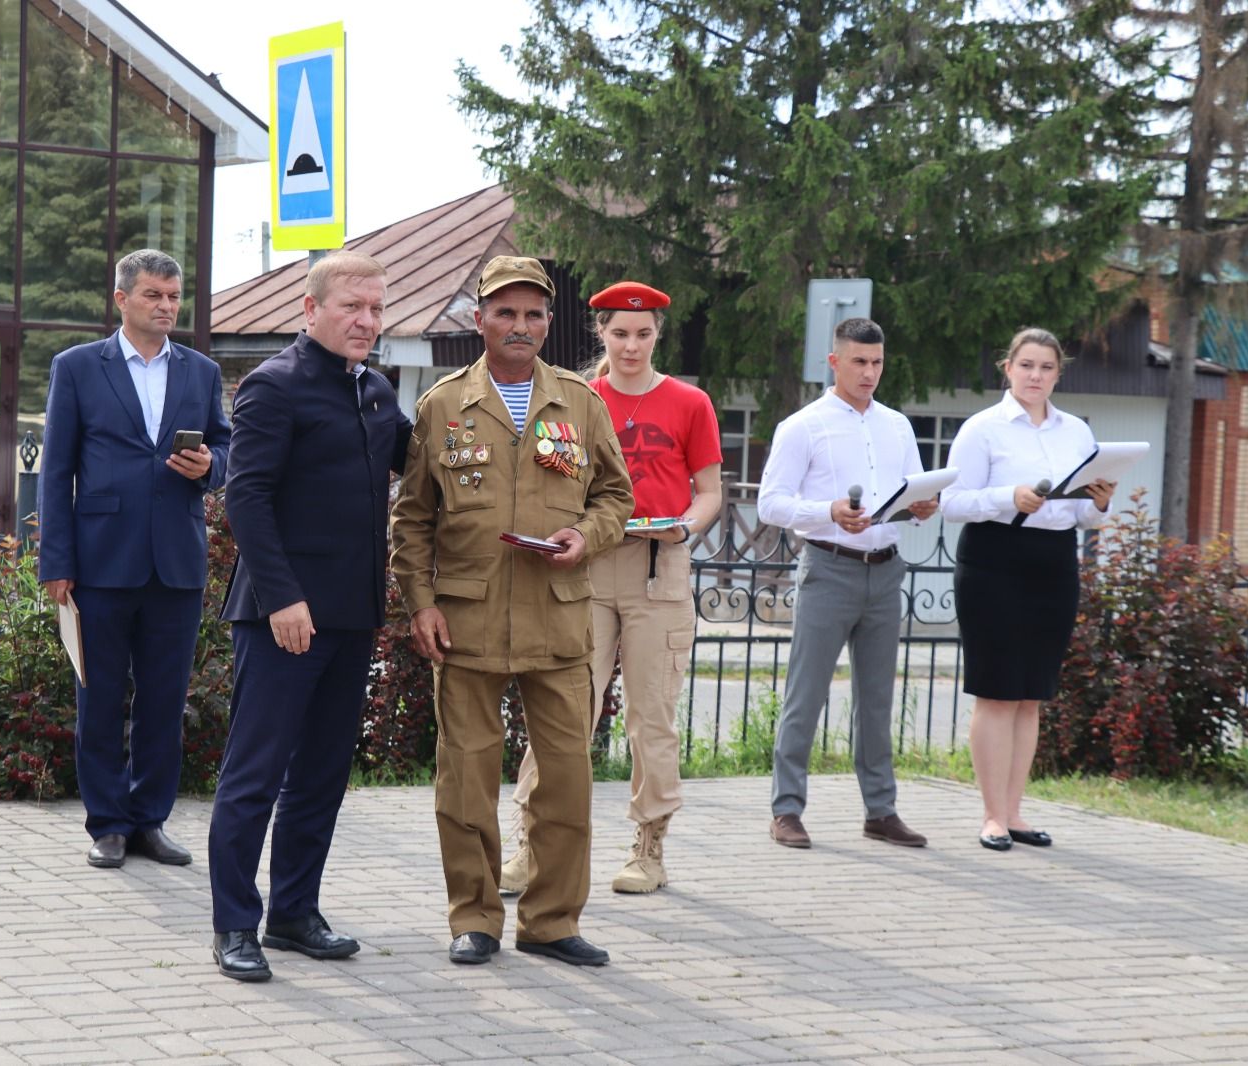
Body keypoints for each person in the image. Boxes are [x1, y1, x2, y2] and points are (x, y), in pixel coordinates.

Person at [390, 255, 633, 967]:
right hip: (464, 621)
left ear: (549, 324)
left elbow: (616, 498)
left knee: (565, 779)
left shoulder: (582, 403)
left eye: (533, 314)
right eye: (505, 312)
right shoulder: (443, 405)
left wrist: (583, 537)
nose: (519, 326)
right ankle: (475, 917)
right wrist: (421, 603)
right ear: (480, 321)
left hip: (558, 617)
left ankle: (553, 922)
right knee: (465, 778)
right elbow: (412, 520)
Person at [207, 251, 411, 982]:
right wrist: (283, 598)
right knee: (255, 774)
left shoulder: (378, 391)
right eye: (352, 306)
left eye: (377, 309)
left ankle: (294, 913)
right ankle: (236, 923)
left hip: (353, 615)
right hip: (282, 616)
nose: (365, 321)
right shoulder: (273, 386)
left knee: (323, 773)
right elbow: (247, 498)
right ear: (310, 309)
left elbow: (424, 463)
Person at [500, 281, 722, 897]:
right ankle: (530, 844)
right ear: (601, 334)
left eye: (643, 334)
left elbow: (709, 492)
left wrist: (687, 526)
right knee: (562, 709)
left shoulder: (689, 402)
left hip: (660, 565)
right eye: (619, 333)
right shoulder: (574, 398)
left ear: (658, 336)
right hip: (585, 566)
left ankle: (649, 849)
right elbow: (545, 480)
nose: (631, 345)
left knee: (652, 716)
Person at [39, 248, 230, 870]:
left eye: (174, 297)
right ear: (121, 299)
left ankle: (150, 820)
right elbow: (57, 471)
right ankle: (108, 824)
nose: (167, 307)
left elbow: (226, 448)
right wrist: (56, 562)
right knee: (99, 697)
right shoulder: (76, 368)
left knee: (163, 700)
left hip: (175, 561)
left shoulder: (201, 371)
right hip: (99, 561)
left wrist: (210, 469)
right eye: (154, 295)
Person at [757, 317, 937, 850]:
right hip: (828, 568)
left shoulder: (898, 426)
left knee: (878, 698)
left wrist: (922, 507)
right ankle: (786, 810)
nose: (869, 372)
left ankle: (880, 811)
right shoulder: (803, 426)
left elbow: (904, 498)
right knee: (805, 694)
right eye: (859, 361)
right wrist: (830, 511)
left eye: (877, 362)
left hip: (885, 570)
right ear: (833, 362)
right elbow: (772, 503)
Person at [941, 327, 1115, 851]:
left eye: (1046, 368)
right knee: (996, 692)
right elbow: (952, 503)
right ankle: (992, 816)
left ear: (1058, 374)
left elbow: (1084, 514)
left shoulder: (1076, 434)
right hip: (994, 560)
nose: (1035, 375)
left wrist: (1101, 502)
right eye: (1026, 366)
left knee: (1031, 696)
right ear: (1007, 368)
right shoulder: (982, 429)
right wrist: (1006, 497)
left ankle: (1016, 812)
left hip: (1053, 565)